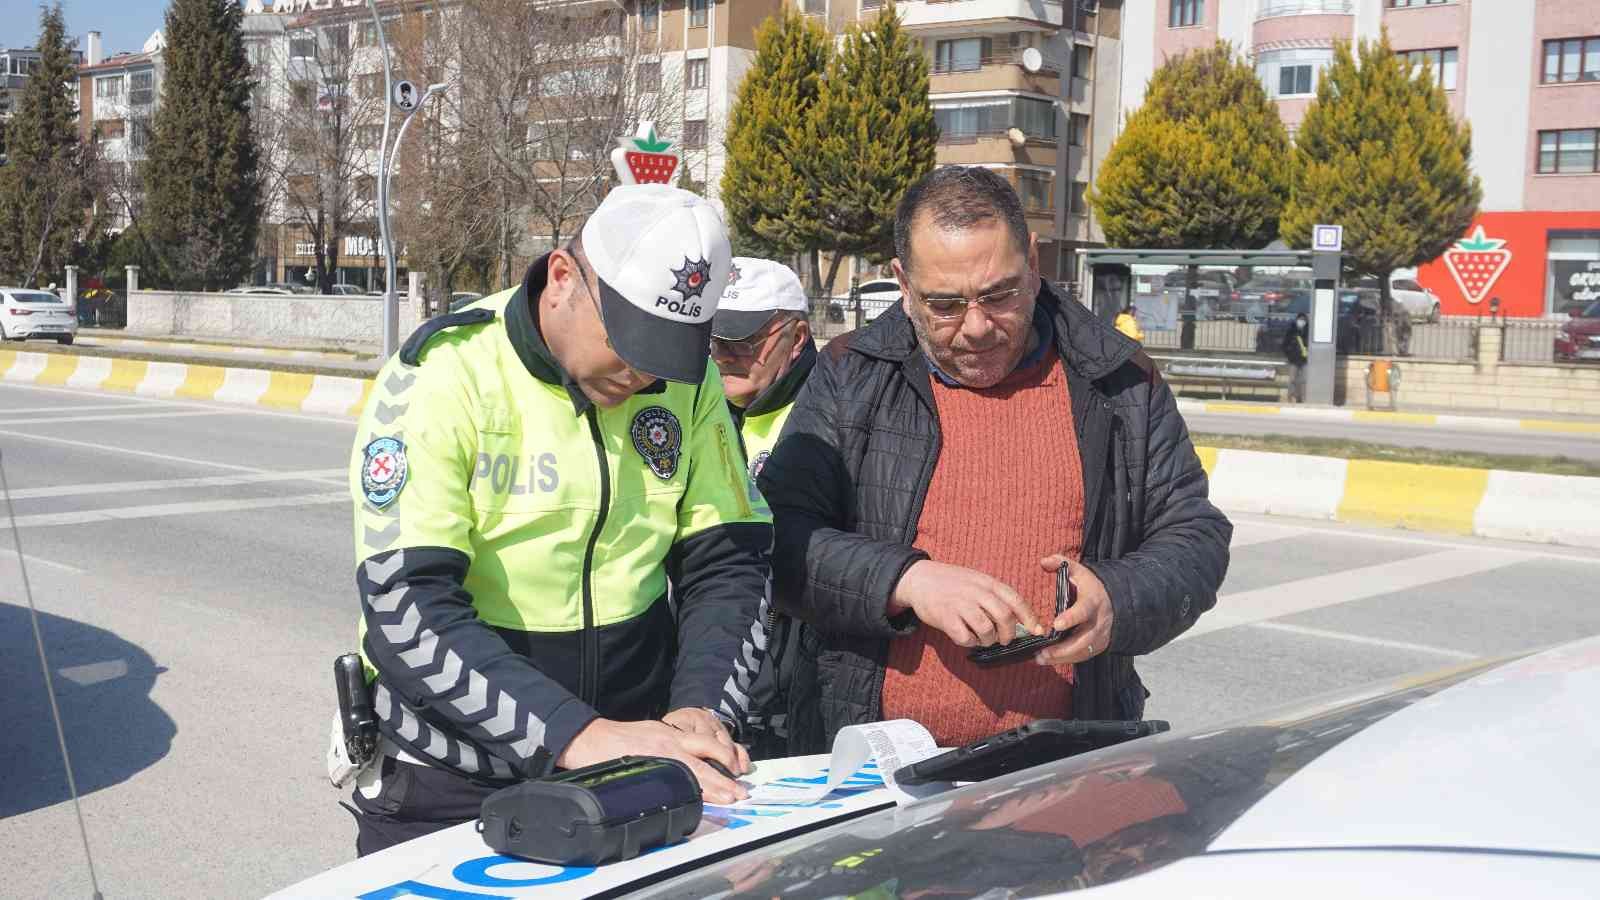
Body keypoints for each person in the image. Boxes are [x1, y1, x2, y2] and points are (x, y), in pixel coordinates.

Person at [345, 184, 772, 854]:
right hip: (454, 781)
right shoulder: (441, 374)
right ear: (563, 277)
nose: (640, 372)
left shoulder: (685, 384)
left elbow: (729, 562)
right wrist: (574, 734)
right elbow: (408, 605)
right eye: (630, 339)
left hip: (633, 762)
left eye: (666, 349)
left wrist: (701, 709)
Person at [758, 166, 1231, 751]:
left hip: (1067, 763)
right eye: (945, 305)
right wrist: (906, 580)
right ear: (903, 284)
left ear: (1033, 262)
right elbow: (774, 538)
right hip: (872, 775)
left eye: (999, 295)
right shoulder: (850, 375)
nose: (977, 327)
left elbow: (1194, 535)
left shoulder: (1119, 379)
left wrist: (1117, 598)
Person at [708, 257, 820, 759]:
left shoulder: (828, 419)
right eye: (713, 339)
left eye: (742, 341)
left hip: (790, 693)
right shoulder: (704, 409)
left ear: (796, 338)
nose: (722, 355)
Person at [1282, 312, 1308, 403]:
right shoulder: (1291, 331)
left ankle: (1303, 399)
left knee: (1304, 380)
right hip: (1293, 360)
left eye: (1304, 320)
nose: (1302, 321)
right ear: (1297, 320)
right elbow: (1284, 345)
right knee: (1292, 380)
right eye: (1300, 320)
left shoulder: (1309, 332)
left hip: (1305, 360)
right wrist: (1289, 355)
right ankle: (1290, 398)